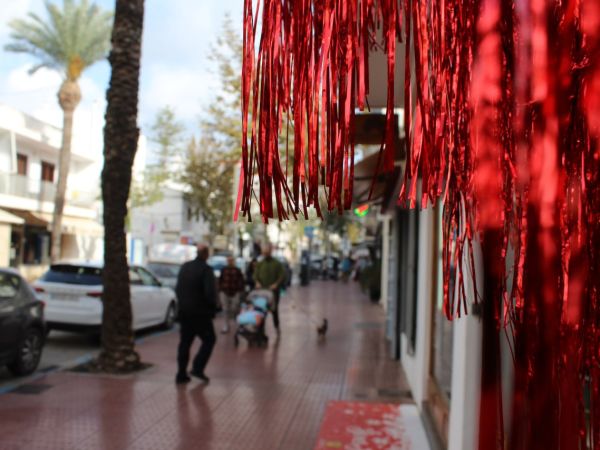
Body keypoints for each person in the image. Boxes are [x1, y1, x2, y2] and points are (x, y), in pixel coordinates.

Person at [175, 243, 217, 384]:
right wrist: (213, 308)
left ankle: (181, 374)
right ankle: (197, 368)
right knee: (209, 339)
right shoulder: (206, 270)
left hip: (184, 313)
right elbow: (209, 293)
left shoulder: (185, 267)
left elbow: (178, 288)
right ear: (206, 254)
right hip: (201, 314)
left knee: (185, 343)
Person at [254, 244, 285, 334]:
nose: (265, 254)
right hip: (262, 292)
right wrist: (257, 282)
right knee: (261, 310)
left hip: (273, 292)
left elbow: (282, 275)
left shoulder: (277, 263)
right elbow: (255, 275)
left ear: (270, 252)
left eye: (267, 252)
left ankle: (277, 326)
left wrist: (276, 284)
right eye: (264, 252)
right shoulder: (260, 264)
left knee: (274, 310)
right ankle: (261, 330)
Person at [218, 256, 245, 334]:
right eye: (228, 260)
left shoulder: (237, 270)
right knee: (225, 309)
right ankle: (226, 325)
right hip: (224, 291)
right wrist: (220, 290)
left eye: (231, 260)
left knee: (235, 307)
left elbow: (241, 281)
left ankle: (234, 319)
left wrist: (240, 291)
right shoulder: (224, 270)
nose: (230, 262)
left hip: (235, 291)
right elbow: (220, 280)